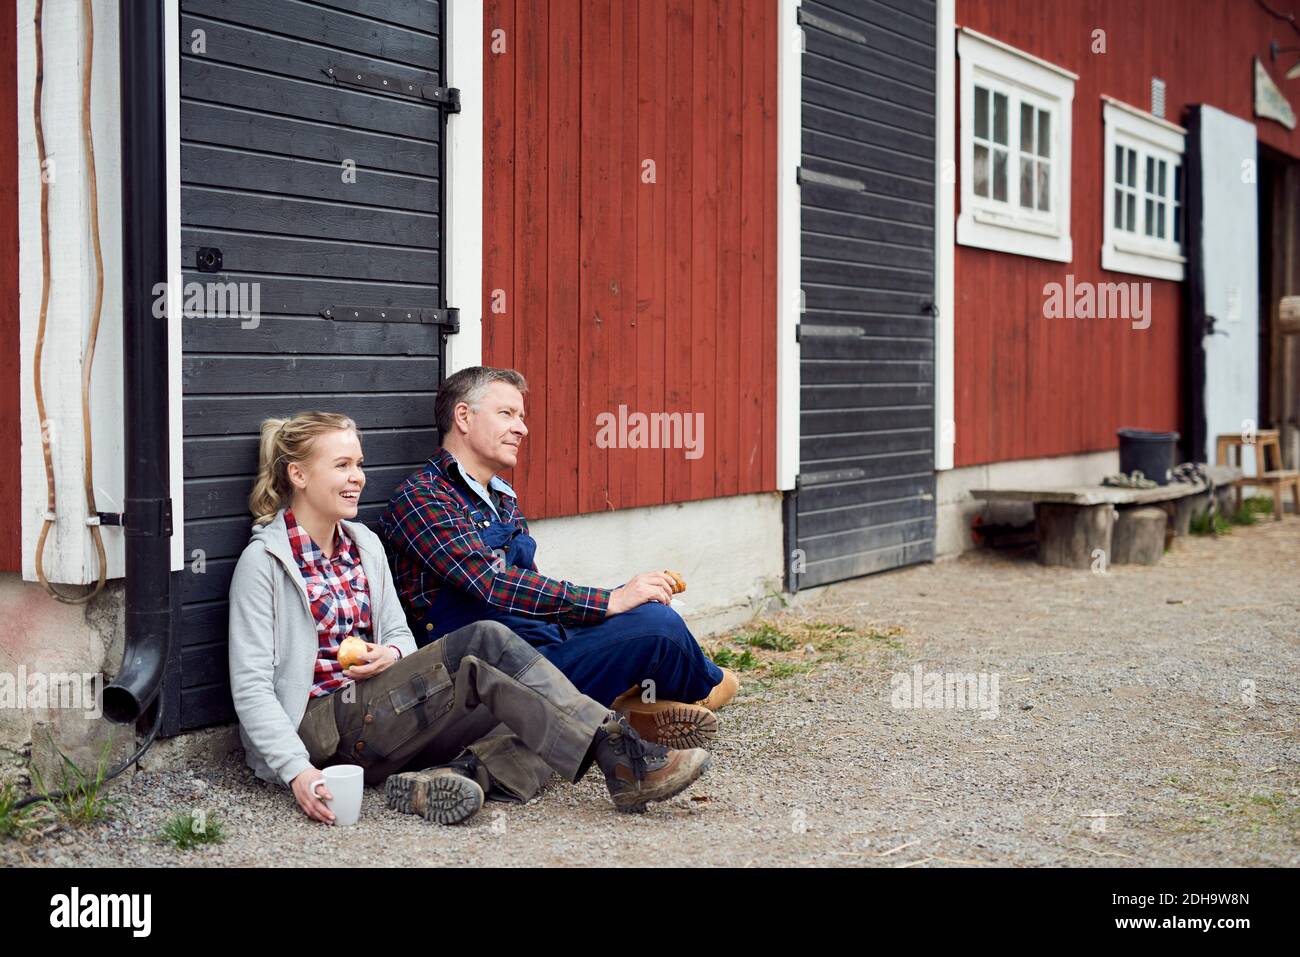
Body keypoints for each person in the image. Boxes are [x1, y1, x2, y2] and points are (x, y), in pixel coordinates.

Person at [227, 411, 710, 825]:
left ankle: (454, 776)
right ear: (298, 475)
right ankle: (623, 757)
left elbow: (398, 634)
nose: (358, 477)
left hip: (381, 715)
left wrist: (390, 653)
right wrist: (298, 771)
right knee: (486, 642)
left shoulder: (362, 545)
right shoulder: (265, 563)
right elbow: (250, 687)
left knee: (532, 704)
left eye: (359, 464)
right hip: (322, 732)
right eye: (342, 465)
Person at [380, 366, 740, 751]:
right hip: (493, 678)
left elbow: (530, 590)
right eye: (507, 414)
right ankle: (691, 689)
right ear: (464, 417)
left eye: (521, 417)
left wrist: (614, 604)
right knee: (658, 627)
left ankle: (631, 704)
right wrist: (608, 601)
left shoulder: (502, 498)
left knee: (645, 610)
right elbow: (491, 583)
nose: (522, 429)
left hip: (538, 646)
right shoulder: (421, 498)